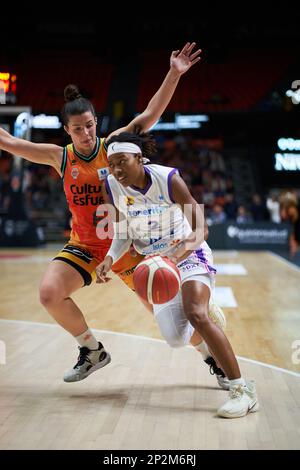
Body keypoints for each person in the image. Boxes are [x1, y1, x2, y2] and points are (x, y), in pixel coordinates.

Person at [0, 42, 205, 382]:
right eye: (77, 128)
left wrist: (173, 73)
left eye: (90, 125)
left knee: (169, 316)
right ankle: (91, 350)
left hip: (127, 246)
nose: (85, 133)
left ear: (97, 122)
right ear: (66, 130)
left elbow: (151, 114)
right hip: (84, 245)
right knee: (49, 293)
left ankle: (211, 356)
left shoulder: (115, 145)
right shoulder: (59, 156)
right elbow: (8, 142)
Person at [96, 131, 259, 418]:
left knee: (195, 313)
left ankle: (242, 390)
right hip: (157, 264)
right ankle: (210, 326)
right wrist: (109, 258)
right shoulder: (112, 185)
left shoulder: (168, 179)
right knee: (175, 339)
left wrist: (173, 255)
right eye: (112, 164)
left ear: (139, 158)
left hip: (188, 252)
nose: (117, 169)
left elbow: (201, 229)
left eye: (122, 161)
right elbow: (121, 232)